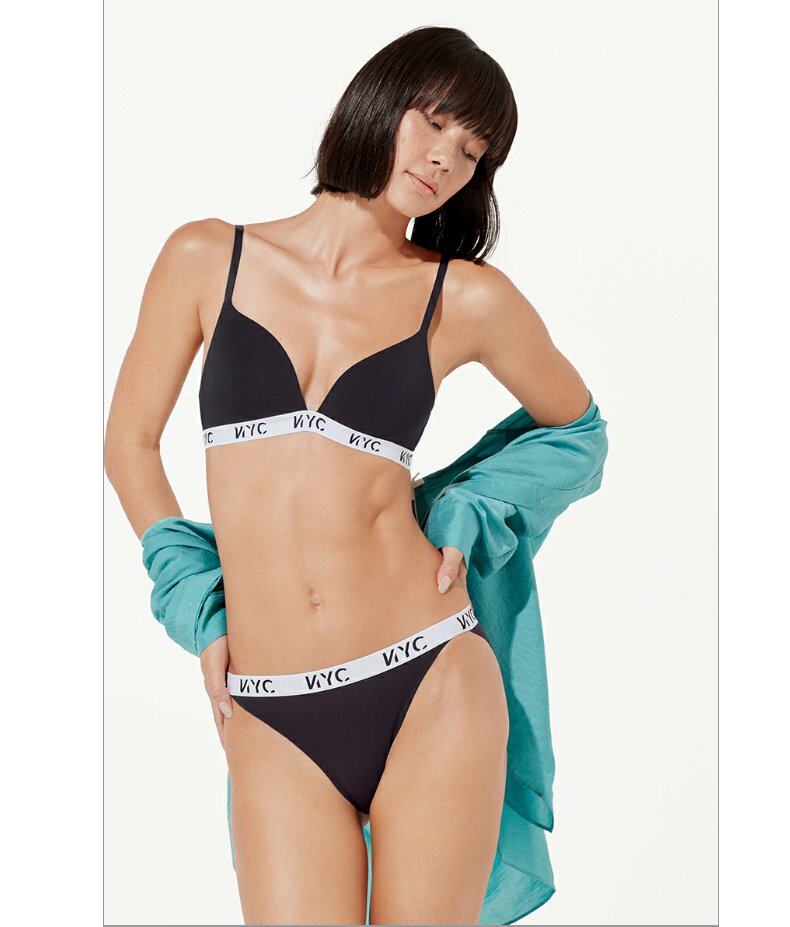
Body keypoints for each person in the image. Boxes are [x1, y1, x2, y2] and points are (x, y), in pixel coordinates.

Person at [105, 25, 593, 926]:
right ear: (378, 101)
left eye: (473, 151)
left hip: (430, 676)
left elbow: (578, 429)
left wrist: (467, 507)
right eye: (434, 122)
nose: (446, 159)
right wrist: (198, 605)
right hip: (271, 704)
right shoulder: (207, 257)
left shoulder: (463, 296)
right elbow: (129, 445)